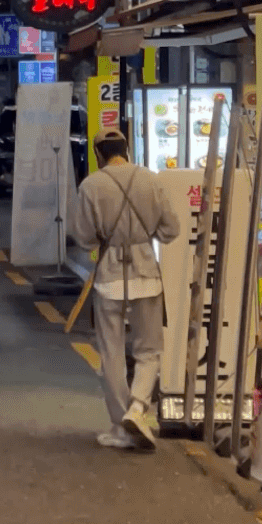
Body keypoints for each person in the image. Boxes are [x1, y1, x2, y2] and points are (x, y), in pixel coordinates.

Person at [71, 128, 181, 451]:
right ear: (127, 150)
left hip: (109, 277)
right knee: (149, 350)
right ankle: (138, 407)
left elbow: (85, 237)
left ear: (99, 154)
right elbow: (171, 229)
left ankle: (121, 425)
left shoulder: (91, 185)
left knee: (112, 353)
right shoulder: (151, 179)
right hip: (146, 272)